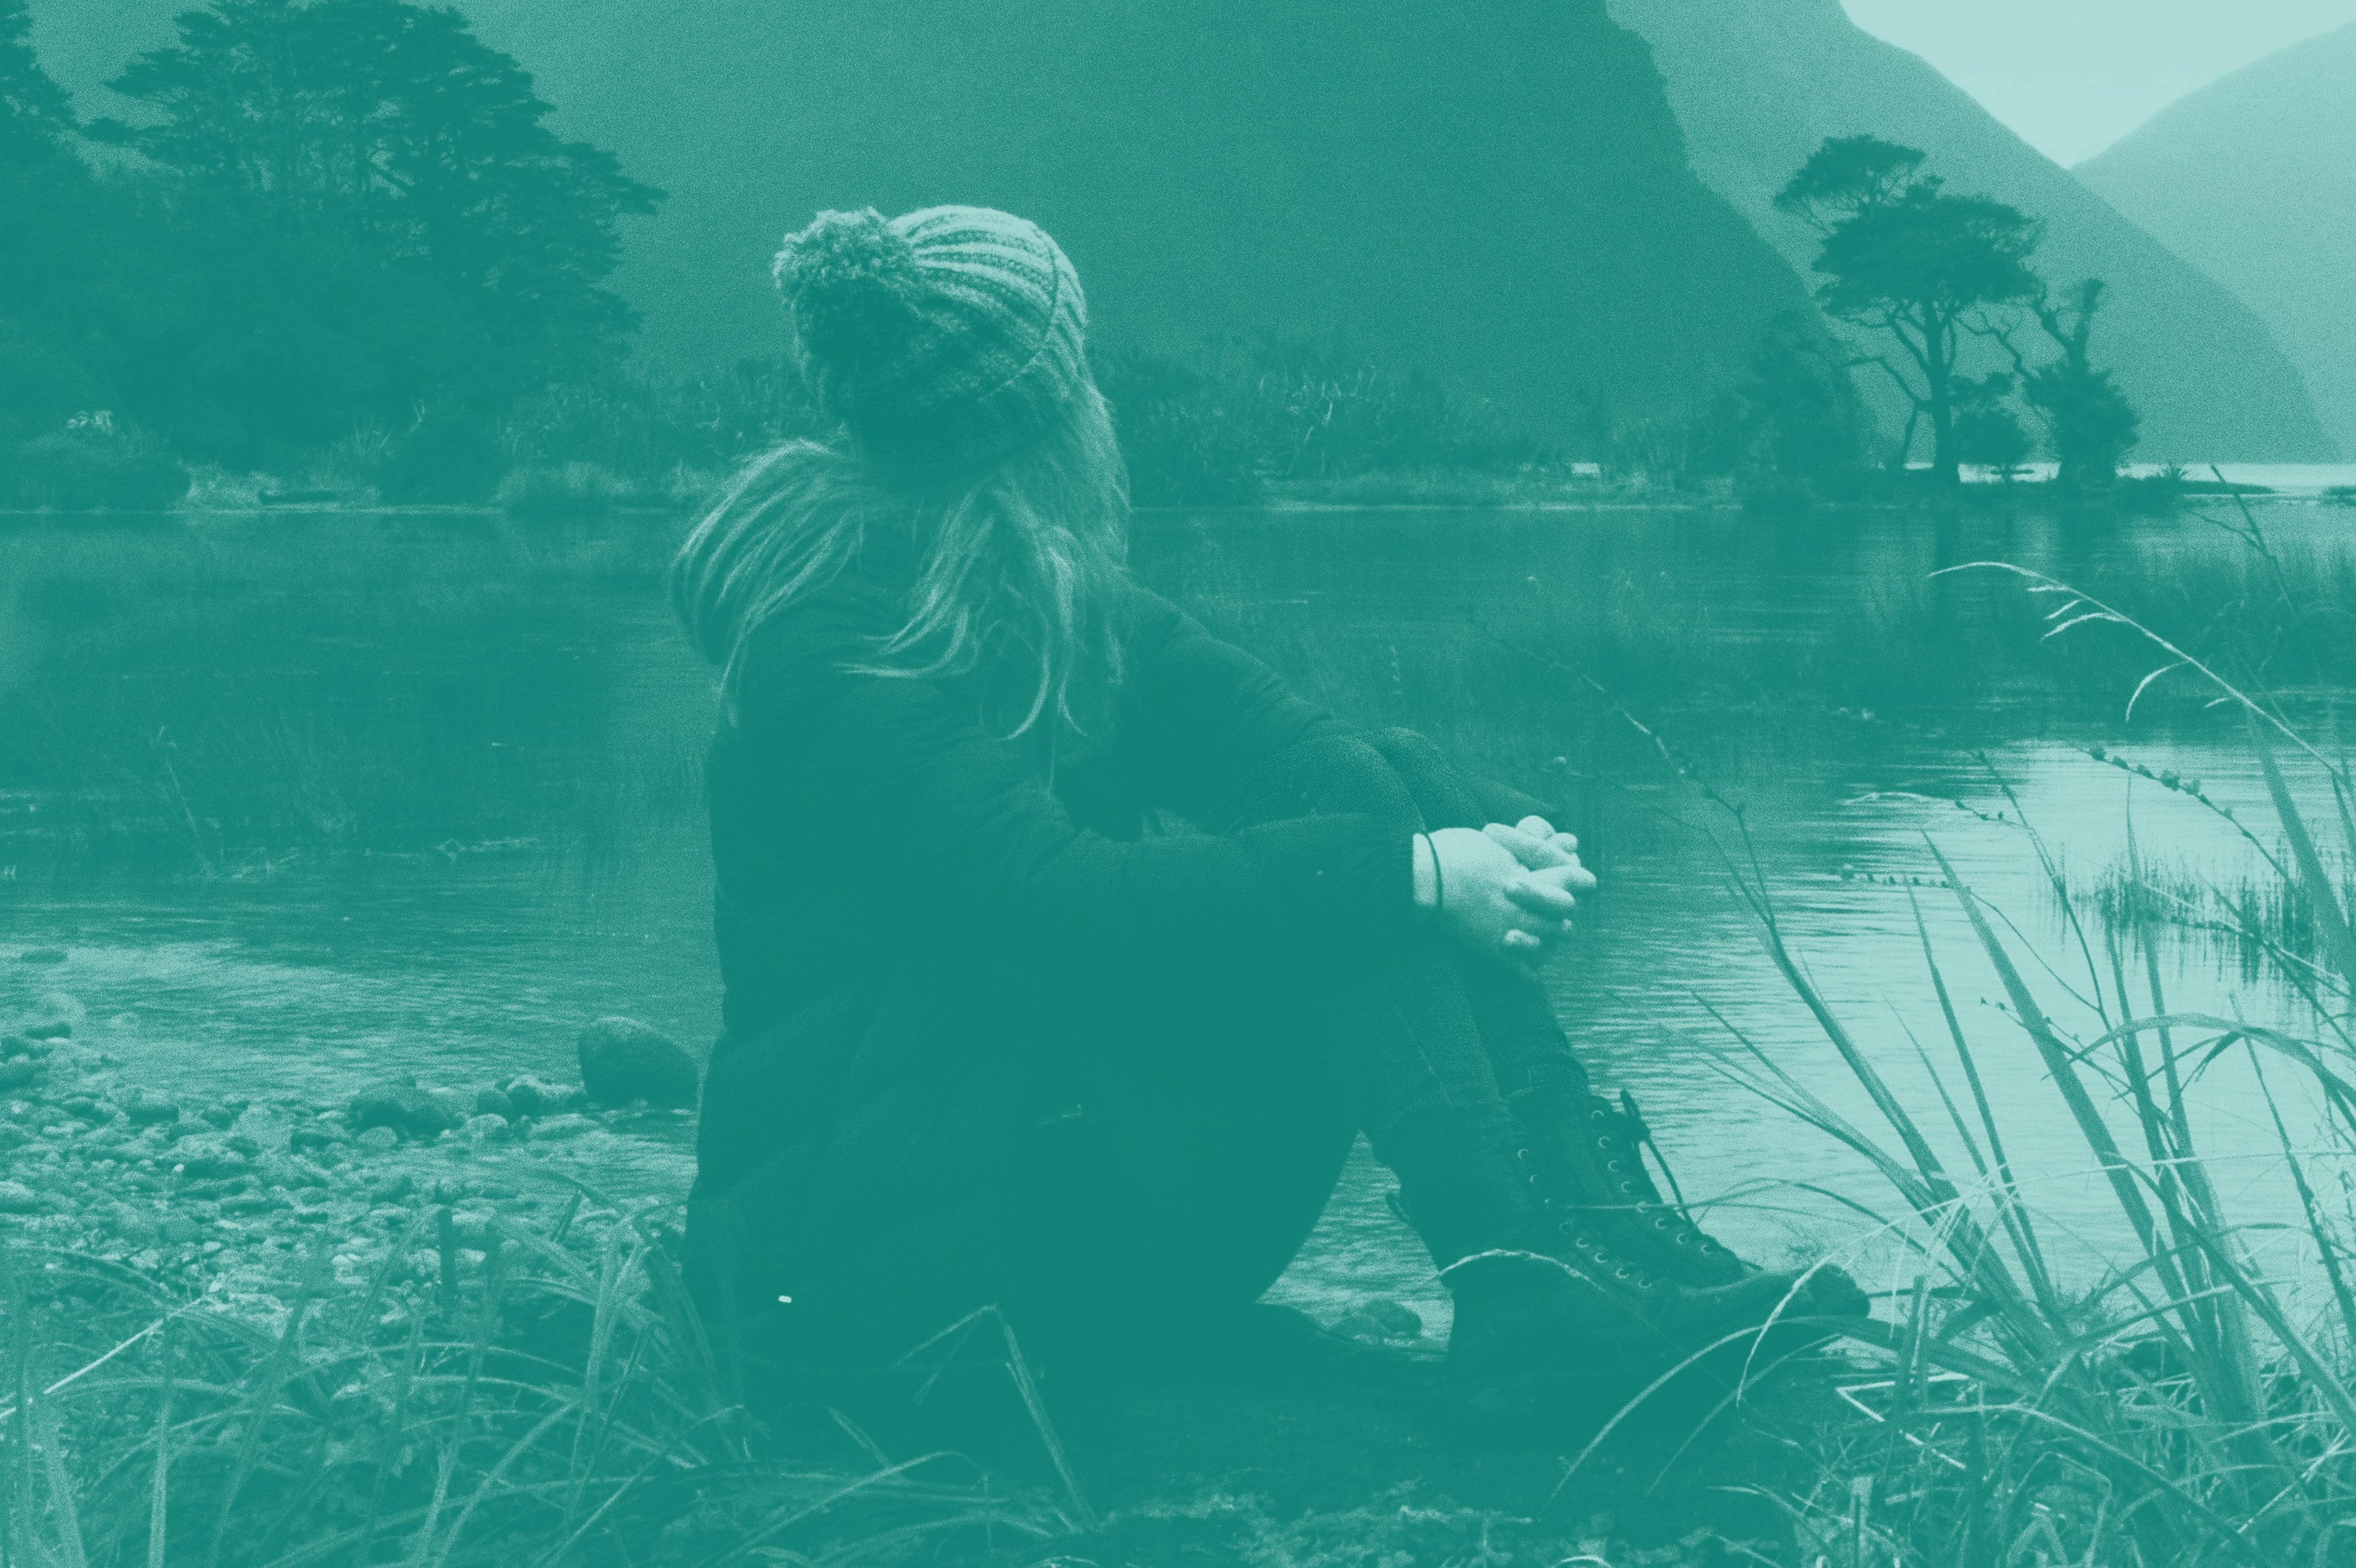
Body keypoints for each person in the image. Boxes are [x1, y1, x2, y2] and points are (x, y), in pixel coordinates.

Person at [675, 202, 1864, 1421]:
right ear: (1043, 418)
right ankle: (1522, 1281)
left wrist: (1487, 847)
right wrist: (1414, 878)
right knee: (1344, 884)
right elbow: (1056, 899)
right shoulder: (824, 653)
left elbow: (1313, 758)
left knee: (1388, 778)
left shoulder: (1052, 601)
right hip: (859, 1288)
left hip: (994, 1193)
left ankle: (1597, 1241)